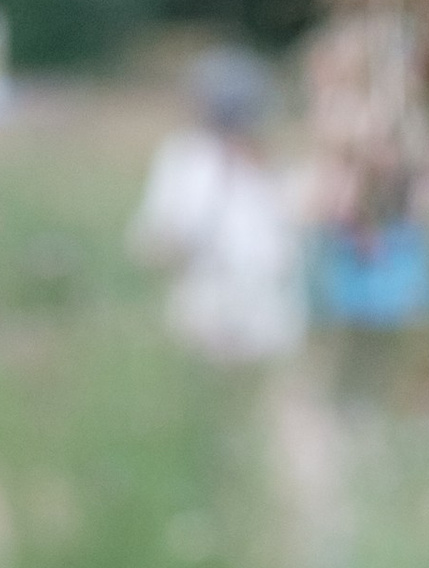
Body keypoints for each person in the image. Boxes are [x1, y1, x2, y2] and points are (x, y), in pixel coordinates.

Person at [128, 50, 307, 365]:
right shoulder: (185, 156)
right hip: (204, 292)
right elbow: (160, 232)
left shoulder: (269, 162)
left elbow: (288, 230)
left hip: (264, 301)